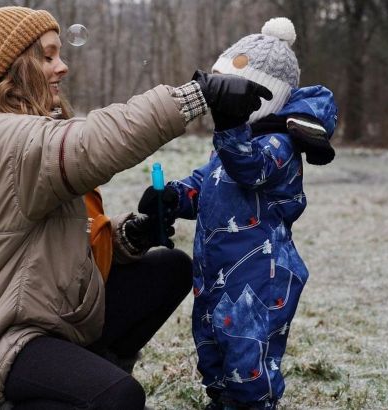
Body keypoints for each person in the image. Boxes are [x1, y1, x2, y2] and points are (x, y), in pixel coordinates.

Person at [0, 6, 272, 409]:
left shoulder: (25, 132)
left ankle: (84, 375)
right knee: (119, 397)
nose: (61, 67)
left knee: (169, 268)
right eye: (46, 57)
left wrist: (131, 234)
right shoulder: (0, 140)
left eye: (59, 54)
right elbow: (94, 141)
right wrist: (197, 94)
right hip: (7, 337)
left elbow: (61, 240)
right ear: (15, 67)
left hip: (55, 314)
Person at [137, 18, 338, 410]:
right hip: (215, 274)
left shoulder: (278, 146)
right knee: (212, 350)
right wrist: (174, 196)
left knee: (247, 358)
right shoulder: (228, 146)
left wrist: (229, 125)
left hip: (259, 280)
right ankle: (221, 398)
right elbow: (207, 185)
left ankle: (252, 404)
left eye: (230, 94)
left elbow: (249, 167)